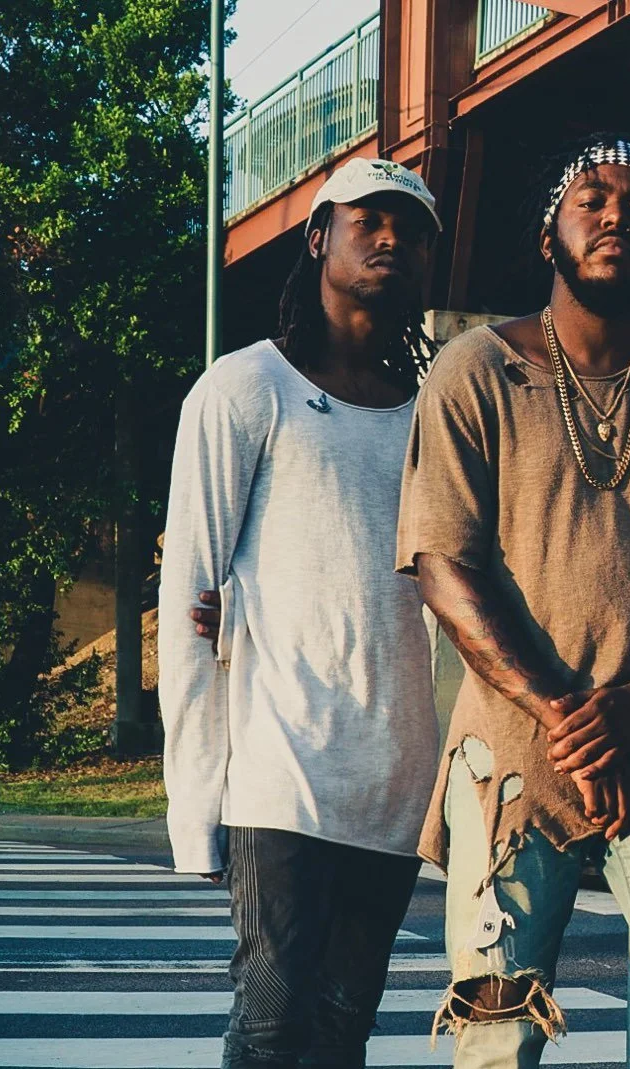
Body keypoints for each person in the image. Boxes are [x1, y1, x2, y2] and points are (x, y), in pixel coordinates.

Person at [396, 133, 630, 1069]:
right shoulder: (476, 370)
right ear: (549, 232)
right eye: (591, 198)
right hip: (513, 746)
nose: (616, 217)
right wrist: (566, 713)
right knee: (493, 1021)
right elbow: (443, 564)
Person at [158, 157, 444, 1069]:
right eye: (370, 220)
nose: (391, 238)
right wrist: (195, 799)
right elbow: (189, 595)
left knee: (341, 1028)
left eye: (412, 227)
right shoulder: (246, 390)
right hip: (280, 775)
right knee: (273, 1020)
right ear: (320, 236)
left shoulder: (438, 414)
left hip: (394, 784)